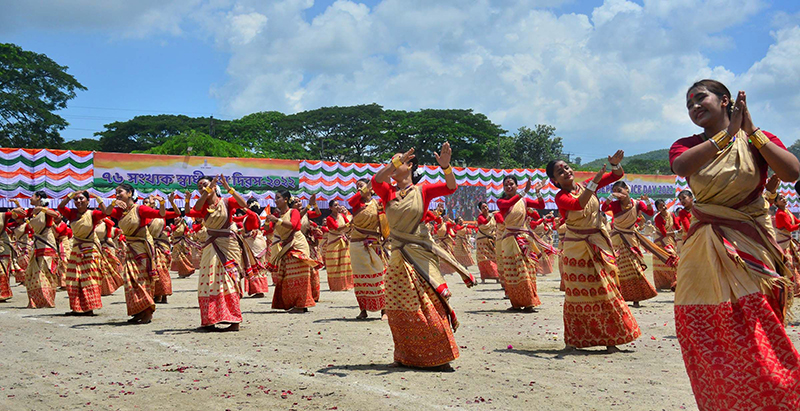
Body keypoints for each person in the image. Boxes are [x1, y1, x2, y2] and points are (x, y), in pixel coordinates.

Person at [670, 79, 800, 409]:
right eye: (689, 104)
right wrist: (727, 136)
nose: (694, 107)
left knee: (759, 328)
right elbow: (682, 167)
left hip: (752, 242)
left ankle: (779, 397)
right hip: (705, 245)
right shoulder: (685, 145)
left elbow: (791, 172)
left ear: (725, 100)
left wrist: (751, 130)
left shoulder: (758, 139)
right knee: (708, 330)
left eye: (701, 98)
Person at [372, 142, 475, 371]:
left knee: (428, 303)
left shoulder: (423, 190)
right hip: (398, 256)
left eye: (398, 161)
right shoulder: (387, 192)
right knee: (399, 306)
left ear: (409, 167)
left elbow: (450, 188)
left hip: (419, 254)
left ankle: (438, 355)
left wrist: (446, 167)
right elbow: (376, 181)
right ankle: (406, 354)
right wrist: (395, 163)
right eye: (392, 162)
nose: (392, 165)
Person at [547, 150, 641, 352]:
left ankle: (611, 340)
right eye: (559, 171)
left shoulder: (585, 185)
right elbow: (578, 204)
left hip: (597, 243)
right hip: (577, 250)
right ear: (554, 180)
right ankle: (575, 340)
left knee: (605, 289)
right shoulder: (560, 197)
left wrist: (615, 165)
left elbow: (616, 176)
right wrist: (594, 183)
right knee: (579, 295)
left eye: (566, 167)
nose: (565, 171)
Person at [185, 176, 253, 331]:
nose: (203, 188)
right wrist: (206, 192)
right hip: (211, 246)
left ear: (215, 187)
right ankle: (211, 319)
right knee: (209, 281)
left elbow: (244, 205)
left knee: (229, 280)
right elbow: (193, 210)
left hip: (228, 245)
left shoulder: (227, 202)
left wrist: (229, 188)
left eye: (206, 185)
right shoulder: (202, 206)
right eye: (200, 187)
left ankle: (234, 320)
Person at [103, 183, 169, 324]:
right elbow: (106, 212)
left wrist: (162, 203)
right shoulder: (119, 211)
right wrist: (114, 203)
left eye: (120, 192)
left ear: (130, 193)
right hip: (130, 249)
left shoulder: (140, 209)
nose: (118, 194)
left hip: (142, 249)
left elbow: (161, 214)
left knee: (141, 279)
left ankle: (148, 312)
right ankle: (139, 310)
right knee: (130, 280)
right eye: (116, 192)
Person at [600, 184, 667, 307]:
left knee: (635, 267)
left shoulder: (637, 204)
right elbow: (604, 208)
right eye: (614, 192)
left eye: (619, 190)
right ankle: (618, 297)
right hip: (617, 239)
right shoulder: (615, 204)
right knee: (617, 268)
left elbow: (650, 212)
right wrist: (610, 196)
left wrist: (647, 201)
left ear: (627, 189)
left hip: (630, 239)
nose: (617, 194)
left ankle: (637, 298)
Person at [57, 191, 116, 315]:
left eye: (81, 199)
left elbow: (106, 213)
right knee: (73, 278)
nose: (78, 201)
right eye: (76, 199)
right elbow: (60, 207)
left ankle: (89, 308)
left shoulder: (93, 214)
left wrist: (98, 198)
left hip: (90, 250)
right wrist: (70, 195)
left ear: (88, 201)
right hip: (76, 249)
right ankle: (77, 307)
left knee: (88, 279)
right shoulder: (71, 214)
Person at [496, 176, 545, 312]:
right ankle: (516, 303)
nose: (509, 187)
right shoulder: (501, 202)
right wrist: (524, 191)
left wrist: (538, 192)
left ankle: (529, 302)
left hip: (523, 238)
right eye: (506, 185)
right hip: (509, 240)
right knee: (512, 271)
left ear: (517, 186)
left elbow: (541, 206)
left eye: (511, 184)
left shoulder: (524, 201)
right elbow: (510, 203)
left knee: (526, 270)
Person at [267, 190, 320, 312]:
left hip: (297, 244)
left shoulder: (293, 212)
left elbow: (295, 225)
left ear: (286, 199)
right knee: (288, 276)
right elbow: (266, 229)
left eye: (278, 197)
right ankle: (293, 303)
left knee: (299, 275)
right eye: (275, 198)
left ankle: (301, 305)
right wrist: (267, 221)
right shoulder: (278, 215)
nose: (276, 200)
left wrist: (276, 220)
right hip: (286, 246)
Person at [348, 178, 388, 320]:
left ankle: (384, 310)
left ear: (371, 189)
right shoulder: (356, 203)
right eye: (357, 186)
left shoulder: (377, 204)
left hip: (374, 243)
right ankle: (363, 309)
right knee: (360, 278)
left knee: (379, 275)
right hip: (357, 245)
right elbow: (351, 201)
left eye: (362, 185)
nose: (359, 188)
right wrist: (366, 187)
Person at [23, 192, 61, 309]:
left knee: (45, 272)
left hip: (47, 244)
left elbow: (56, 215)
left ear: (39, 198)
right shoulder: (32, 212)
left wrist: (42, 209)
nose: (30, 198)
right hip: (37, 245)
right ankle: (36, 300)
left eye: (33, 196)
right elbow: (18, 216)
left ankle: (47, 300)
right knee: (32, 273)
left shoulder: (46, 211)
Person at [234, 198, 270, 298]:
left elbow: (250, 217)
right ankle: (257, 290)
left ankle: (259, 290)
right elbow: (236, 220)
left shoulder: (253, 215)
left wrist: (240, 206)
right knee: (253, 265)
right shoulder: (247, 217)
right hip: (252, 242)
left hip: (255, 244)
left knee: (256, 266)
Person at [774, 192, 800, 295]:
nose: (784, 199)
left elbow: (796, 221)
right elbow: (790, 228)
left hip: (788, 243)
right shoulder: (780, 214)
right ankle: (791, 291)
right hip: (783, 246)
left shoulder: (786, 211)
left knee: (795, 264)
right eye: (780, 198)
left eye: (784, 197)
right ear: (776, 203)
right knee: (789, 267)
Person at [325, 200, 354, 291]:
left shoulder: (341, 216)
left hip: (342, 241)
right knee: (334, 262)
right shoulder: (329, 218)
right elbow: (337, 228)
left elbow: (348, 226)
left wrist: (351, 224)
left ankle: (346, 284)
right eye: (335, 205)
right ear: (330, 208)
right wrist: (350, 222)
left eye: (338, 205)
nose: (337, 207)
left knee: (345, 262)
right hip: (334, 241)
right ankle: (336, 286)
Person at [652, 199, 679, 290]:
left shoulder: (671, 214)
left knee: (674, 259)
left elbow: (677, 225)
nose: (663, 208)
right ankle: (662, 284)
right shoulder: (658, 218)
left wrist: (681, 230)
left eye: (663, 205)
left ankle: (674, 283)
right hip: (660, 241)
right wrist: (676, 232)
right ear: (658, 209)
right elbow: (664, 233)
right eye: (660, 207)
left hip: (669, 239)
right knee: (666, 260)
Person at [475, 201, 500, 283]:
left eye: (486, 206)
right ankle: (484, 278)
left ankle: (497, 277)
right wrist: (492, 214)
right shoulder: (480, 217)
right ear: (480, 210)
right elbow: (485, 222)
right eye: (483, 207)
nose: (485, 208)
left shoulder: (492, 217)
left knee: (494, 257)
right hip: (481, 241)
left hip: (491, 240)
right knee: (484, 259)